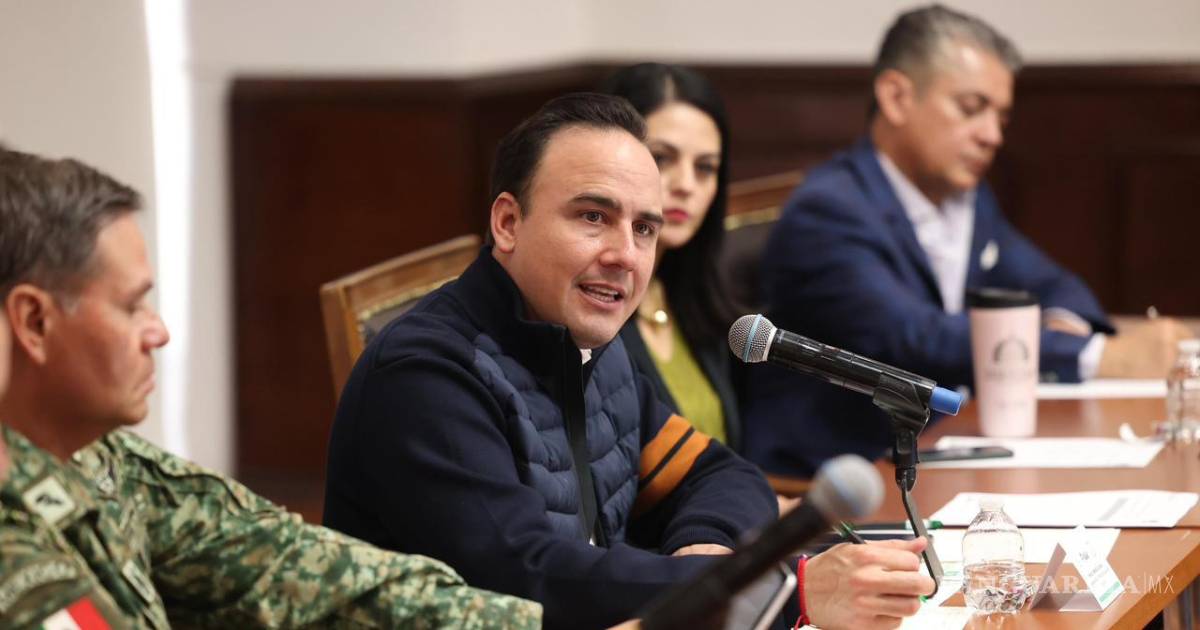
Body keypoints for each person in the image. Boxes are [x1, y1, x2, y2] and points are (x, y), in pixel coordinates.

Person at [322, 93, 933, 630]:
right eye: (593, 217)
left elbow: (718, 474)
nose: (626, 256)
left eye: (644, 229)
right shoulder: (426, 376)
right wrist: (775, 589)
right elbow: (527, 576)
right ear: (507, 223)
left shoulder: (590, 348)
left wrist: (704, 550)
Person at [0, 146, 541, 629]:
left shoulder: (95, 455)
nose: (158, 332)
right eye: (131, 305)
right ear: (34, 322)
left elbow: (285, 565)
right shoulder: (16, 554)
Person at [744, 4, 1196, 477]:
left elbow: (1050, 282)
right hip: (838, 478)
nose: (993, 135)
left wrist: (1064, 326)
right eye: (971, 108)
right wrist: (1096, 355)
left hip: (945, 450)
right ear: (896, 97)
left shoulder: (967, 200)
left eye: (1001, 117)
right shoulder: (827, 210)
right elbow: (914, 337)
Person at [601, 63, 744, 450]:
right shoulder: (588, 309)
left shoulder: (695, 299)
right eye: (662, 158)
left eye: (705, 168)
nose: (686, 185)